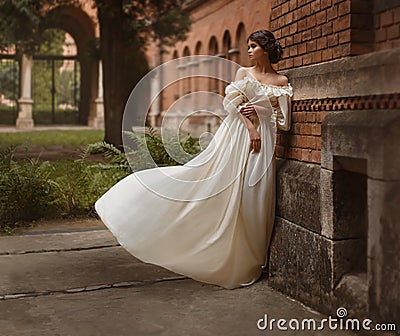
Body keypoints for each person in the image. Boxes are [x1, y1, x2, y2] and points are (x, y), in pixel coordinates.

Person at [95, 29, 292, 289]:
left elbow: (285, 122)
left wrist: (261, 109)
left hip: (264, 144)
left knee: (256, 196)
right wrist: (251, 126)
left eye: (254, 46)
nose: (249, 50)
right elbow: (229, 105)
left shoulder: (281, 81)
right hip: (238, 138)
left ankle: (255, 259)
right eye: (248, 46)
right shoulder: (244, 73)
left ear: (266, 49)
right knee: (214, 185)